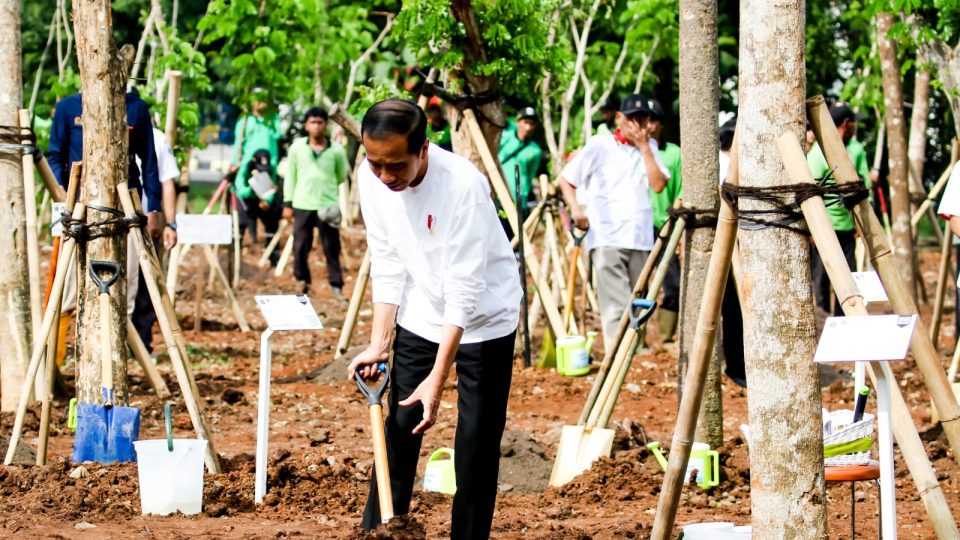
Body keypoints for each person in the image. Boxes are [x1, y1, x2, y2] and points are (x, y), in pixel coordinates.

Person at [347, 98, 521, 538]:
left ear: (424, 149)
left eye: (396, 166)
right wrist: (378, 342)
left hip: (485, 318)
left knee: (475, 445)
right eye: (375, 163)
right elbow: (386, 260)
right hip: (422, 311)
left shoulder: (463, 184)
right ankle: (379, 531)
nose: (385, 176)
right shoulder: (372, 179)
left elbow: (464, 289)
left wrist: (438, 379)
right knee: (401, 427)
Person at [47, 90, 164, 355]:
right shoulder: (68, 107)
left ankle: (117, 353)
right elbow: (55, 154)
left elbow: (149, 161)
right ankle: (59, 356)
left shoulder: (136, 108)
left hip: (125, 205)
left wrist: (153, 207)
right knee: (69, 287)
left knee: (127, 281)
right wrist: (64, 193)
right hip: (80, 205)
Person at [558, 94, 669, 346]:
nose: (637, 126)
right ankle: (616, 354)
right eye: (632, 119)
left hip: (640, 237)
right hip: (607, 235)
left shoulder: (649, 148)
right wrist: (576, 208)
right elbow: (567, 179)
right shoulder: (599, 144)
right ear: (619, 118)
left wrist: (644, 148)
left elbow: (659, 184)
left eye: (643, 120)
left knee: (638, 301)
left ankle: (632, 355)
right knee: (616, 306)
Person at [807, 102, 871, 315]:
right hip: (824, 229)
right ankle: (824, 320)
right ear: (846, 124)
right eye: (853, 123)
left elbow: (863, 187)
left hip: (847, 227)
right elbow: (810, 193)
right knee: (823, 277)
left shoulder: (854, 149)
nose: (854, 127)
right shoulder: (817, 153)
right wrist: (814, 229)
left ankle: (844, 323)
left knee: (848, 280)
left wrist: (859, 223)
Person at [281, 107, 349, 297]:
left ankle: (336, 286)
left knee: (331, 247)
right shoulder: (297, 148)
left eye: (320, 122)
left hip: (327, 204)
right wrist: (287, 203)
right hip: (302, 204)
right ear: (306, 125)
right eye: (313, 122)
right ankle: (302, 283)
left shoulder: (336, 150)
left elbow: (341, 175)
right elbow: (290, 177)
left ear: (325, 125)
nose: (316, 126)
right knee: (300, 246)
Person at [647, 99, 682, 342]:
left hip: (665, 225)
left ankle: (665, 337)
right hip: (638, 227)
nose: (648, 126)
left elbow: (680, 190)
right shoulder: (634, 151)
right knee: (636, 285)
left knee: (673, 284)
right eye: (644, 120)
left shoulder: (674, 153)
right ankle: (635, 341)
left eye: (653, 120)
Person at [230, 100, 282, 243]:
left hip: (267, 167)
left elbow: (278, 135)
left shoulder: (273, 118)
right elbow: (238, 142)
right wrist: (249, 191)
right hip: (247, 165)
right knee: (241, 216)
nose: (259, 103)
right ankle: (237, 248)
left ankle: (272, 254)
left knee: (270, 216)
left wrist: (266, 199)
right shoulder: (245, 119)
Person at [718, 116, 745, 388]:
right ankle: (735, 364)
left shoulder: (737, 163)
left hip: (743, 243)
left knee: (737, 308)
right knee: (732, 308)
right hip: (726, 244)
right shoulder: (722, 164)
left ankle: (740, 363)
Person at [498, 106, 543, 205]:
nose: (528, 127)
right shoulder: (504, 138)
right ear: (518, 122)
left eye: (531, 124)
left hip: (518, 199)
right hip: (498, 194)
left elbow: (530, 175)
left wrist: (525, 194)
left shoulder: (535, 150)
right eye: (525, 122)